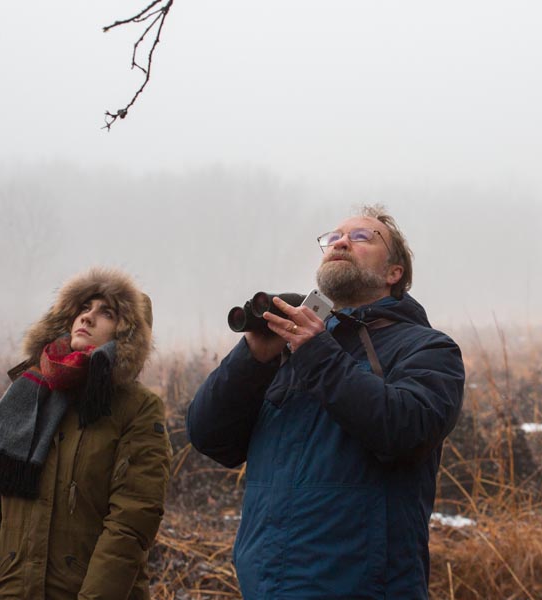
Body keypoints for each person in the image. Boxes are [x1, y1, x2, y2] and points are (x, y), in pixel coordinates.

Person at [186, 206, 465, 599]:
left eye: (363, 237)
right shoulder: (291, 351)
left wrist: (317, 351)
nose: (342, 242)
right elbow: (208, 437)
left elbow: (404, 430)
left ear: (394, 273)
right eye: (333, 237)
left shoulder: (428, 348)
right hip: (265, 587)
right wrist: (253, 357)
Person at [0, 268, 172, 600]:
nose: (88, 317)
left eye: (106, 313)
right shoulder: (27, 395)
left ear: (127, 336)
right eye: (84, 308)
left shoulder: (138, 410)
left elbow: (131, 522)